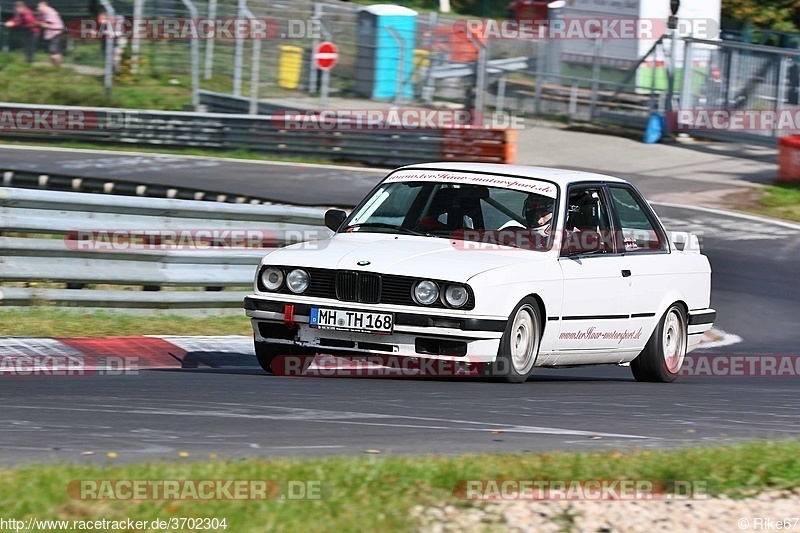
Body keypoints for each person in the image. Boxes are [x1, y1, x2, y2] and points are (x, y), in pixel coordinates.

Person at [36, 1, 64, 67]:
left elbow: (50, 25)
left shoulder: (51, 13)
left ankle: (57, 66)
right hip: (49, 34)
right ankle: (56, 66)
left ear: (45, 6)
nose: (38, 8)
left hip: (56, 32)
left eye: (39, 6)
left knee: (53, 50)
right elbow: (38, 20)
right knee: (54, 51)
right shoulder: (42, 13)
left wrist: (40, 24)